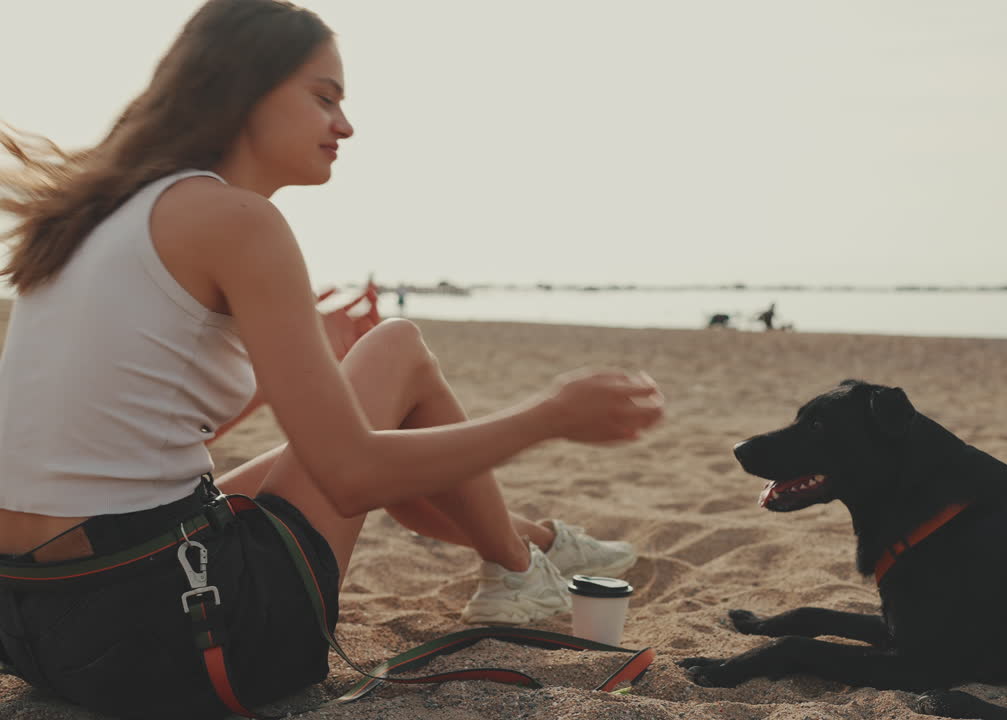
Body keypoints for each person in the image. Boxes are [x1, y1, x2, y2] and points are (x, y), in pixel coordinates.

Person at [0, 1, 664, 718]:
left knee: (376, 387)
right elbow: (351, 477)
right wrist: (549, 416)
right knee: (399, 348)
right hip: (176, 636)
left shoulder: (98, 215)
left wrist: (310, 358)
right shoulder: (238, 220)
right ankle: (516, 563)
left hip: (38, 627)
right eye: (325, 99)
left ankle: (526, 551)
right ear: (243, 88)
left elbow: (124, 435)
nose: (344, 126)